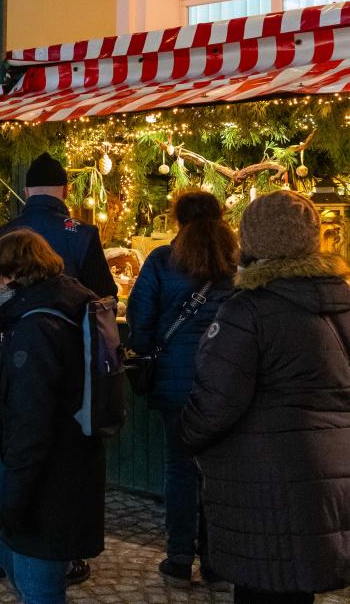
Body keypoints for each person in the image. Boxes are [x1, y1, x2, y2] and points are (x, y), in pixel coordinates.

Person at [179, 191, 350, 604]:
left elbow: (214, 403)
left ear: (251, 241)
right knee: (298, 584)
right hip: (333, 475)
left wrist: (186, 436)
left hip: (265, 483)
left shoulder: (248, 310)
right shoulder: (343, 302)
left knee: (265, 587)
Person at [0, 152, 115, 585]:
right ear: (66, 191)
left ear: (28, 190)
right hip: (71, 368)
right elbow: (104, 299)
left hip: (10, 359)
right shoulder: (82, 234)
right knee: (59, 458)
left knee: (11, 454)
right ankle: (55, 555)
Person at [126, 191, 236, 589]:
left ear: (177, 220)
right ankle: (217, 563)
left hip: (174, 384)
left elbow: (139, 323)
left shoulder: (161, 261)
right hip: (225, 385)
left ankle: (177, 559)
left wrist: (150, 346)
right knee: (219, 471)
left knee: (180, 468)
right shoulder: (236, 265)